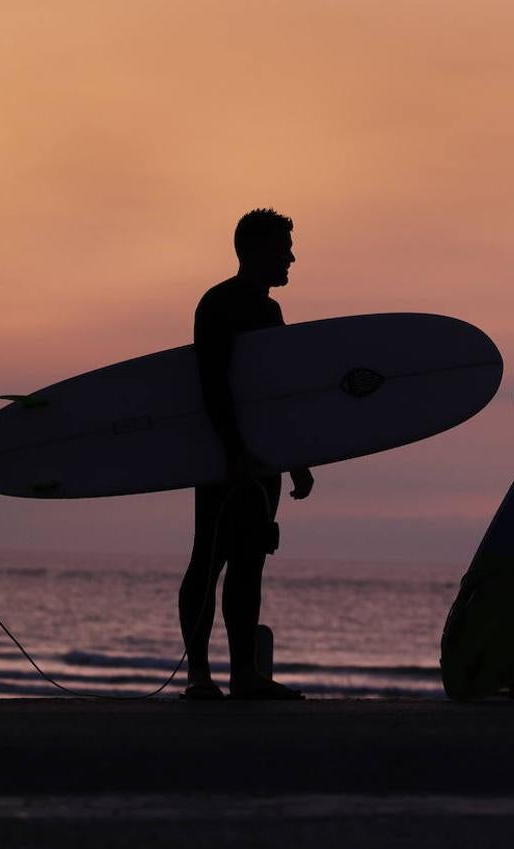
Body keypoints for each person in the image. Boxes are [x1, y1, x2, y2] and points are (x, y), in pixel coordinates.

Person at [178, 208, 314, 700]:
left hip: (263, 457)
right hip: (222, 453)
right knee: (209, 559)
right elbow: (213, 383)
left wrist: (294, 457)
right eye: (283, 249)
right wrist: (231, 451)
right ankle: (198, 675)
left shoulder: (269, 310)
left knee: (251, 559)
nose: (291, 258)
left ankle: (243, 673)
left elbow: (275, 392)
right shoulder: (219, 303)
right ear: (255, 251)